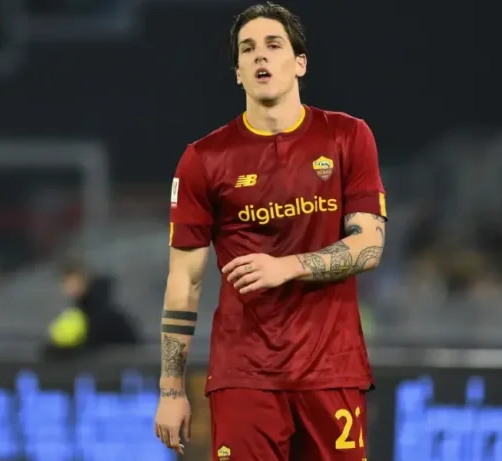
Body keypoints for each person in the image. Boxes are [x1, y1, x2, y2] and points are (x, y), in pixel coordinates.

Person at [153, 3, 386, 460]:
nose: (260, 55)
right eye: (248, 49)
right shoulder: (204, 159)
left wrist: (286, 267)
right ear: (238, 73)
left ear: (300, 63)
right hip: (244, 374)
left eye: (273, 45)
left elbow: (369, 245)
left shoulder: (347, 137)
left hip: (332, 371)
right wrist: (171, 389)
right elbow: (185, 281)